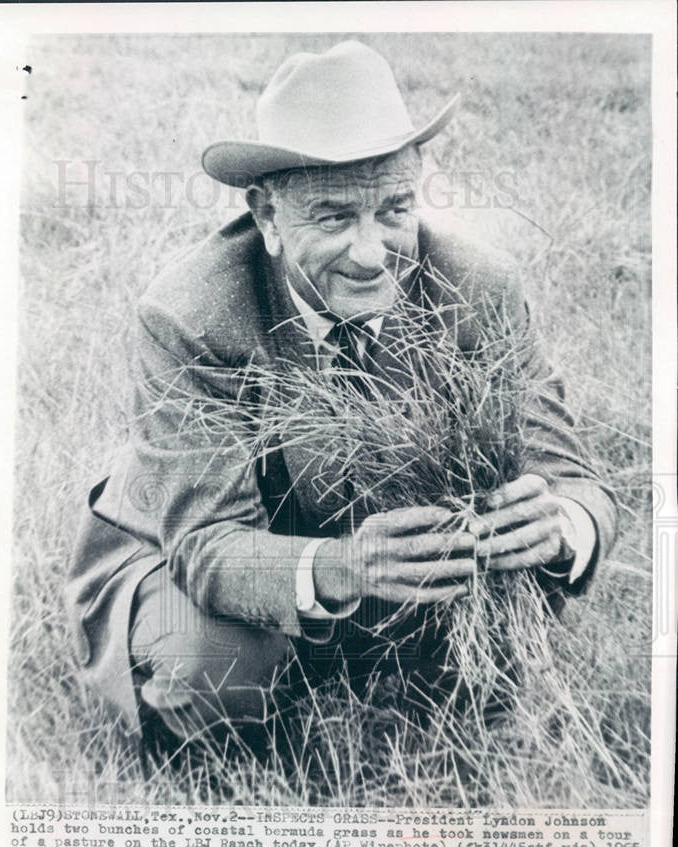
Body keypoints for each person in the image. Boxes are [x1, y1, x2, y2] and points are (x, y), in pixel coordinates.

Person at [65, 40, 616, 752]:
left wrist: (559, 523)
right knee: (212, 669)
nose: (371, 251)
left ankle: (373, 660)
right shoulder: (190, 314)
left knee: (507, 598)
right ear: (266, 216)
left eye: (394, 209)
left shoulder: (480, 287)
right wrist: (343, 566)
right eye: (331, 218)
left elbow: (576, 479)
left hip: (374, 555)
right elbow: (206, 545)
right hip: (186, 542)